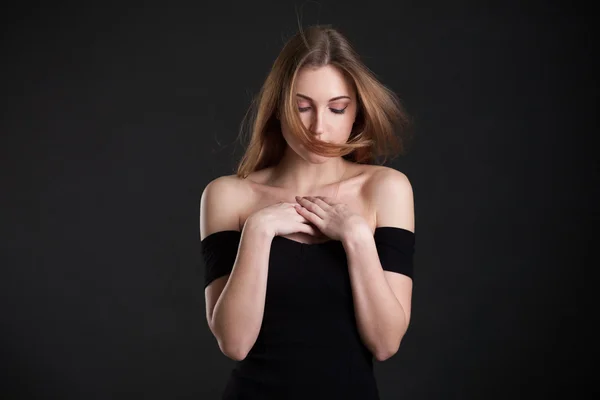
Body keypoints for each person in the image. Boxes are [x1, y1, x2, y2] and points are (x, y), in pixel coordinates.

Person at [199, 24, 416, 399]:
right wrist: (258, 230)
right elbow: (234, 344)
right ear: (278, 111)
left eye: (336, 108)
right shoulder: (228, 195)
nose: (318, 127)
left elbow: (385, 343)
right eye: (302, 107)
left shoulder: (385, 188)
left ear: (356, 113)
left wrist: (357, 237)